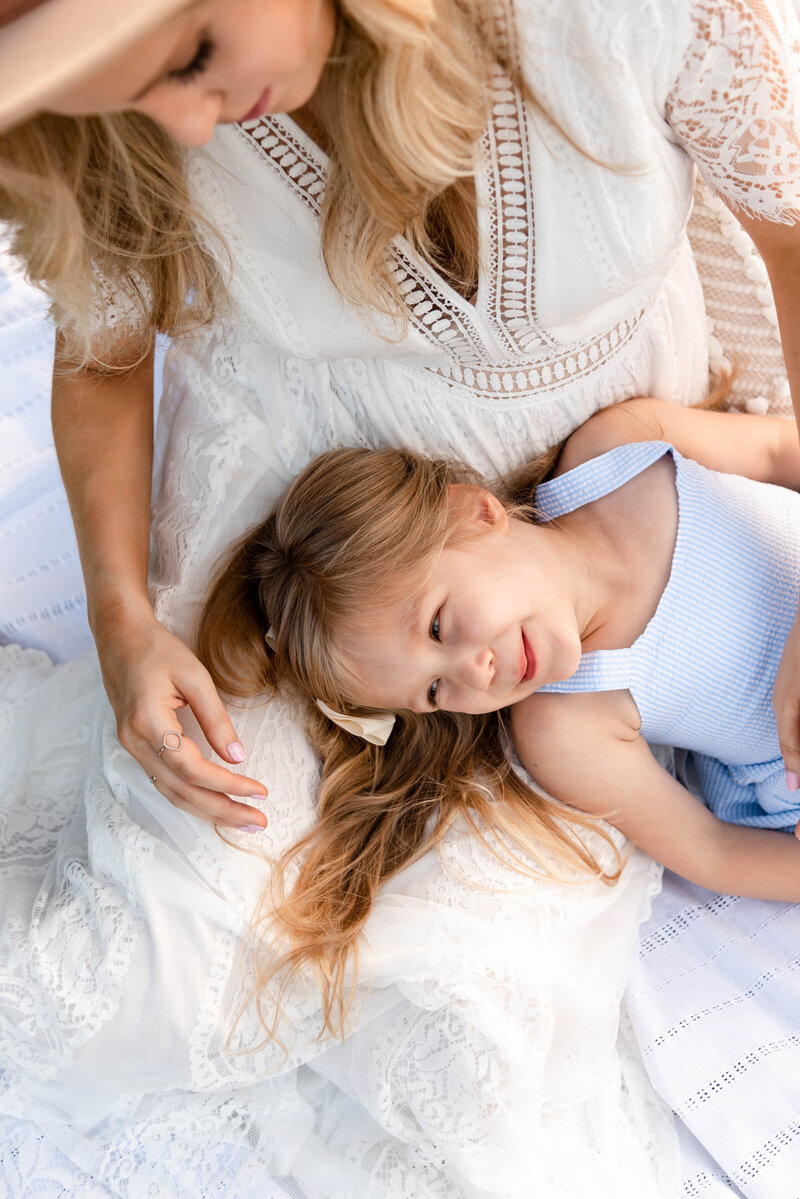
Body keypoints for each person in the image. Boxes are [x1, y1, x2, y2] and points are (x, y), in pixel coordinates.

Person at [0, 0, 799, 834]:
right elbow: (103, 350)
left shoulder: (622, 19)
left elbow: (793, 239)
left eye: (196, 54)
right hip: (327, 514)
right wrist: (121, 618)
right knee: (203, 834)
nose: (193, 130)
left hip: (620, 447)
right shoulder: (532, 707)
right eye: (130, 101)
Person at [192, 397, 800, 1011]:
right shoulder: (564, 728)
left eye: (437, 626)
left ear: (474, 514)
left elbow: (779, 449)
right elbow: (711, 851)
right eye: (434, 693)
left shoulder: (617, 453)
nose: (473, 674)